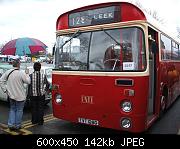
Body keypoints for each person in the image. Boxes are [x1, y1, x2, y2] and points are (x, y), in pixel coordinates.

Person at [0, 59, 30, 131]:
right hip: (20, 96)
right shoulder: (21, 73)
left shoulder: (8, 72)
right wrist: (27, 74)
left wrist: (5, 90)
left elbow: (1, 80)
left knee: (12, 109)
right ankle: (17, 125)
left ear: (12, 64)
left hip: (11, 95)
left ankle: (11, 124)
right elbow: (28, 81)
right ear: (19, 64)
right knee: (19, 110)